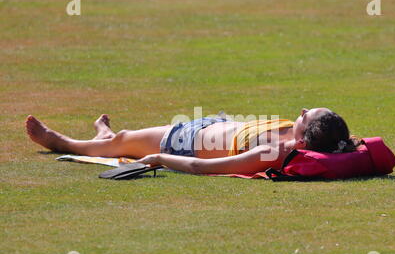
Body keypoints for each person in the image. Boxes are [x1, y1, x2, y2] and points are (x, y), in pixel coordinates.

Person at [25, 108, 360, 174]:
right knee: (124, 140)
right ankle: (105, 135)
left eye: (306, 114)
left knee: (123, 141)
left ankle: (64, 143)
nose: (300, 110)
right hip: (215, 123)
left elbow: (203, 166)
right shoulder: (313, 138)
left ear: (304, 135)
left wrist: (161, 158)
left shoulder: (271, 152)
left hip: (183, 141)